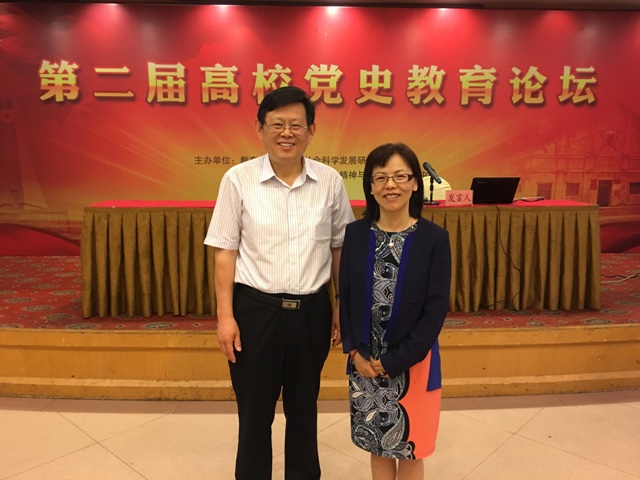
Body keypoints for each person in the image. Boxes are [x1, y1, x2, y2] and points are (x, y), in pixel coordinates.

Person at [204, 85, 355, 480]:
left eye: (296, 125)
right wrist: (225, 318)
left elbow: (340, 249)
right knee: (254, 415)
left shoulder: (329, 181)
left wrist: (341, 307)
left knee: (304, 412)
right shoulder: (238, 180)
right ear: (260, 129)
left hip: (311, 312)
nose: (287, 133)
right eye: (277, 124)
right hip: (255, 313)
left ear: (311, 131)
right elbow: (224, 252)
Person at [339, 143, 451, 480]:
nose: (391, 185)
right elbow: (345, 295)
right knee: (377, 445)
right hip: (365, 362)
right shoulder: (356, 234)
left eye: (400, 176)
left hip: (414, 362)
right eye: (381, 177)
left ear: (415, 183)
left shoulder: (434, 238)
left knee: (412, 447)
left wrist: (396, 360)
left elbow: (435, 310)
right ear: (370, 187)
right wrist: (354, 351)